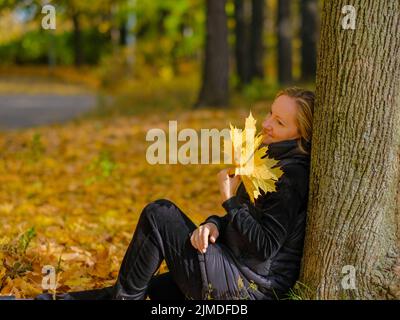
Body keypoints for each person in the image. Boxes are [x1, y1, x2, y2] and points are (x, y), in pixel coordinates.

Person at [36, 87, 314, 300]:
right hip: (233, 266)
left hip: (250, 289)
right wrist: (213, 224)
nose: (266, 124)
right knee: (144, 285)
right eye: (270, 113)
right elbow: (247, 222)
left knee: (160, 213)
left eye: (279, 123)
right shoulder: (270, 162)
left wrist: (229, 200)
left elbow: (265, 245)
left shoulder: (290, 177)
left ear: (300, 134)